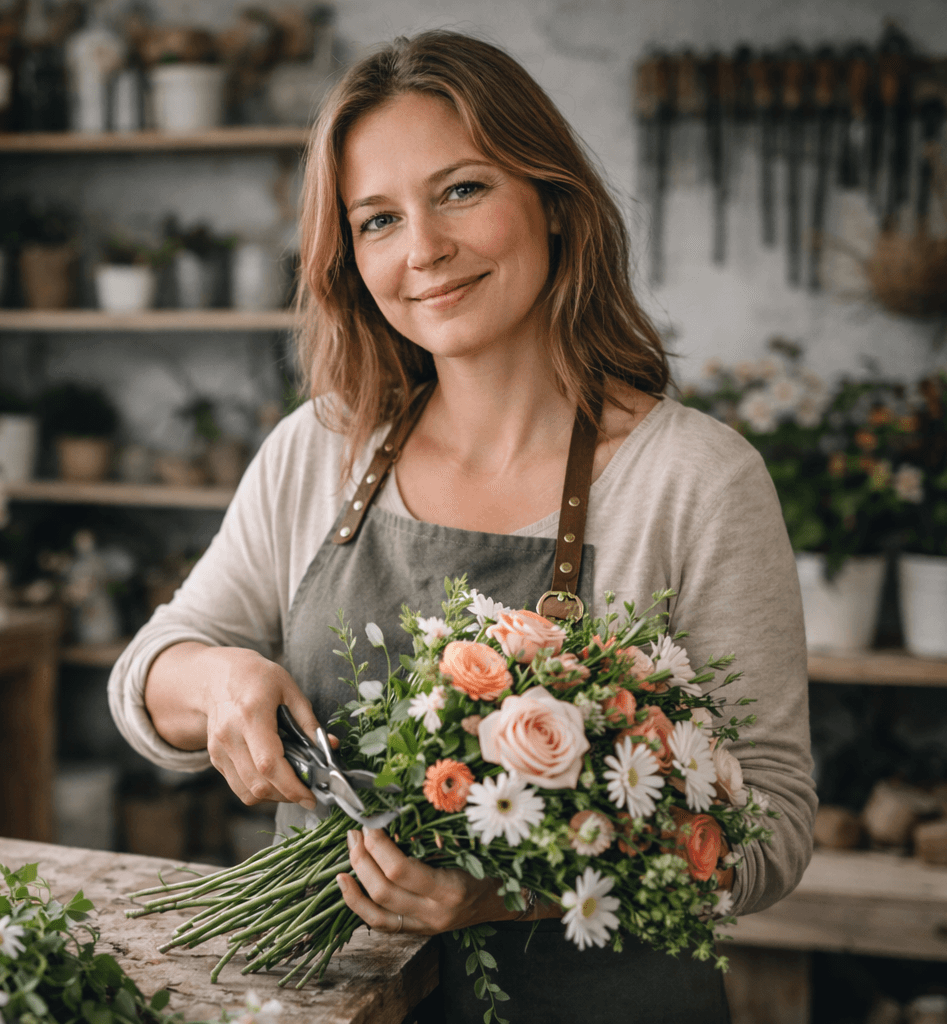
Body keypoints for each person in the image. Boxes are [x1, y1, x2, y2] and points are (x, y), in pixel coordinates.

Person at [108, 30, 815, 1023]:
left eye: (462, 190)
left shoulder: (695, 479)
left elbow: (773, 823)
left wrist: (515, 891)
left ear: (554, 200)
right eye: (378, 219)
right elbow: (146, 677)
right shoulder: (320, 451)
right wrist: (219, 681)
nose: (424, 249)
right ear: (350, 258)